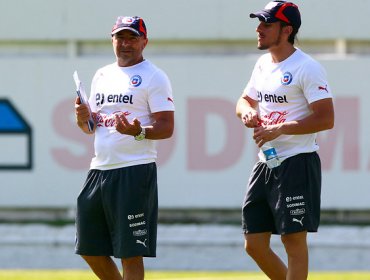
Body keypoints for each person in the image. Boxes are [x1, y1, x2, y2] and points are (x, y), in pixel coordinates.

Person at [236, 1, 334, 279]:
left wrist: (281, 128)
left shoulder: (308, 67)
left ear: (287, 29)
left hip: (298, 164)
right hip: (266, 162)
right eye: (259, 23)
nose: (259, 29)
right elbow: (244, 101)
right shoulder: (262, 64)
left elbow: (326, 118)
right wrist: (247, 113)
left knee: (292, 241)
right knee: (253, 243)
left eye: (267, 24)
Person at [74, 16, 175, 280]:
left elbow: (167, 127)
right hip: (99, 170)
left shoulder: (154, 76)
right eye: (120, 37)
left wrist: (138, 131)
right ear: (112, 40)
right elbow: (91, 127)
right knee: (89, 248)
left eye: (132, 38)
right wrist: (81, 117)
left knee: (130, 253)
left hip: (134, 171)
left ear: (144, 41)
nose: (126, 43)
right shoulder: (102, 75)